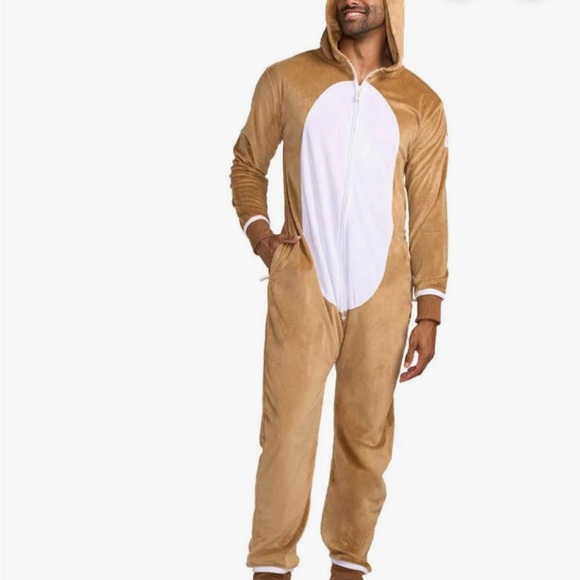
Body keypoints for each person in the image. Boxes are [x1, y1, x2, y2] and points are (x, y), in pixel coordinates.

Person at [229, 0, 449, 578]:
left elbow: (429, 212)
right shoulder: (286, 79)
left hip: (385, 298)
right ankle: (270, 566)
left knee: (365, 441)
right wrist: (262, 238)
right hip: (303, 287)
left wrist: (429, 309)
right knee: (286, 435)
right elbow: (247, 163)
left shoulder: (422, 103)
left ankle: (348, 566)